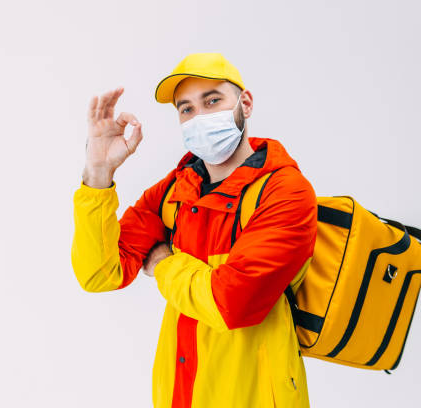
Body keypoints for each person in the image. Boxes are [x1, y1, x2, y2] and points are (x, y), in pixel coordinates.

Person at [71, 53, 318, 408]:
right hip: (177, 395)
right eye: (186, 109)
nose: (199, 117)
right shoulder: (175, 190)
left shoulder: (285, 192)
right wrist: (98, 174)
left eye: (212, 100)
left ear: (245, 104)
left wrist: (163, 264)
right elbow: (99, 273)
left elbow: (230, 304)